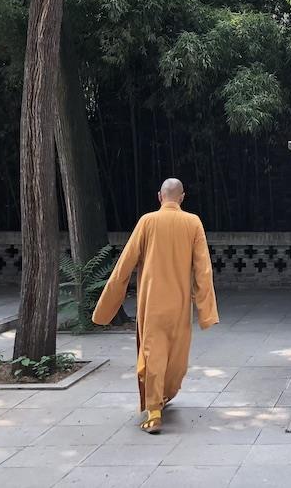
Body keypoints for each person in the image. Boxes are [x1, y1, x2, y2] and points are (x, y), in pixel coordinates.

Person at [93, 177, 219, 434]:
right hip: (180, 304)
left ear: (160, 197)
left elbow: (124, 265)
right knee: (176, 358)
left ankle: (154, 408)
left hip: (152, 303)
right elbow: (203, 270)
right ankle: (158, 401)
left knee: (154, 354)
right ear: (182, 198)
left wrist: (106, 305)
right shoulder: (193, 222)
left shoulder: (147, 221)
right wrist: (206, 311)